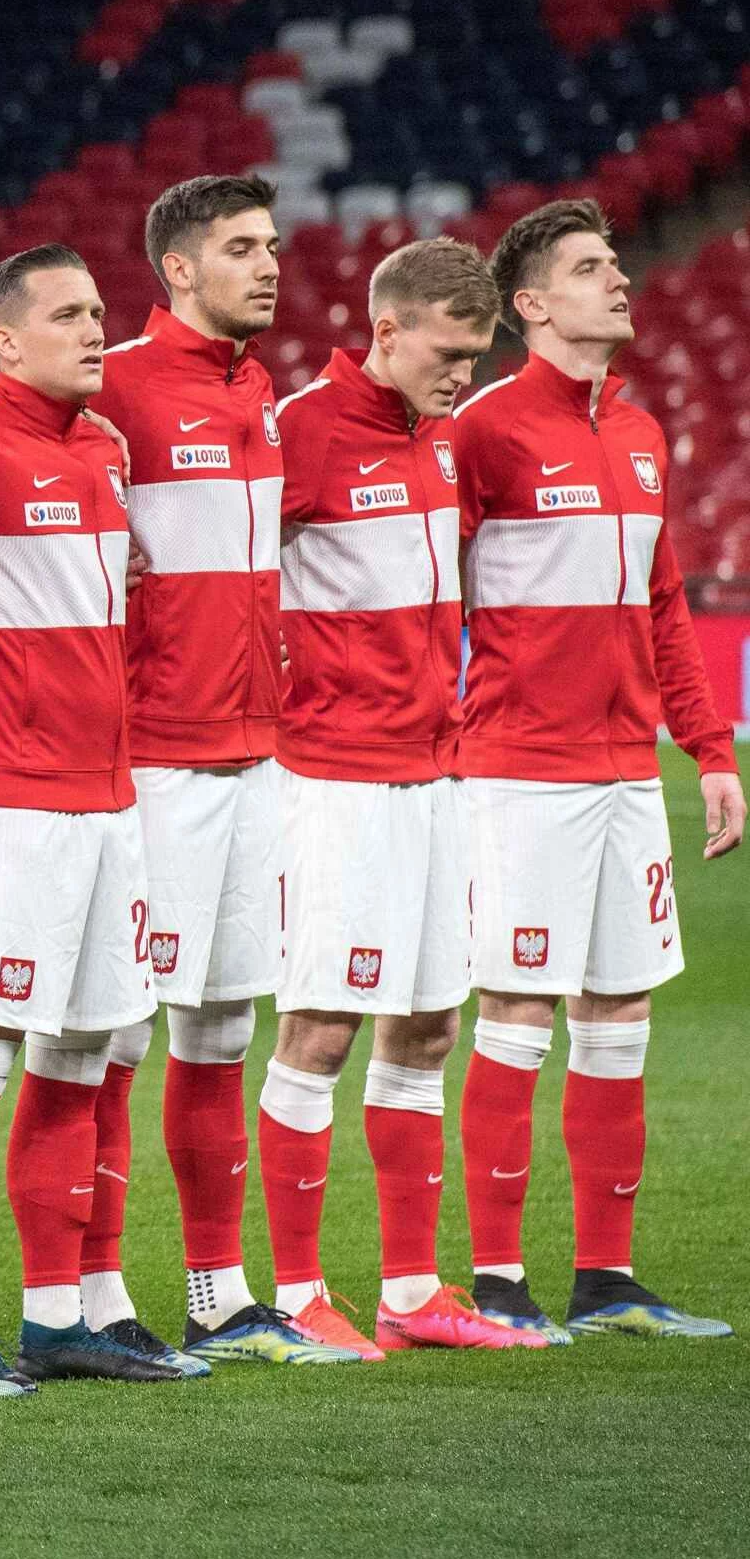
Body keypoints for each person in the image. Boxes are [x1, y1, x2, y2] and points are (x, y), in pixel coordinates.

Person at [451, 198, 741, 1341]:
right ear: (529, 304)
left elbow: (662, 604)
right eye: (586, 267)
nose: (615, 278)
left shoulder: (635, 432)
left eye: (615, 261)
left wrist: (706, 750)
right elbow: (427, 590)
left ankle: (605, 1278)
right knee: (516, 1008)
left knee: (615, 1011)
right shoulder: (481, 429)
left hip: (626, 775)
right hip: (520, 773)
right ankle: (493, 1278)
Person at [87, 174, 356, 1364]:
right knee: (114, 1033)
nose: (268, 264)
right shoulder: (114, 391)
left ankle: (214, 1290)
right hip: (151, 759)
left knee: (217, 1030)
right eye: (240, 248)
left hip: (257, 756)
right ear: (177, 269)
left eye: (272, 244)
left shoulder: (256, 393)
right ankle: (90, 1297)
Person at [0, 244, 191, 1387]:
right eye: (67, 315)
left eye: (97, 311)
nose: (95, 330)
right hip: (1, 800)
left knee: (95, 1047)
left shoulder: (106, 450)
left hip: (105, 798)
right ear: (4, 340)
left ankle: (58, 1313)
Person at [261, 239, 539, 1353]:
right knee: (320, 1026)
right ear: (383, 328)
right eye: (447, 350)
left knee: (425, 1024)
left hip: (434, 775)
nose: (463, 374)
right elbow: (200, 567)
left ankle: (413, 1290)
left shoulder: (435, 442)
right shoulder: (297, 431)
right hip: (333, 778)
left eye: (477, 355)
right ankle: (287, 1291)